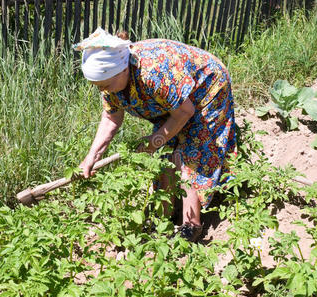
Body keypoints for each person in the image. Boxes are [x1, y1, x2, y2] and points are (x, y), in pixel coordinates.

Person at [75, 28, 236, 242]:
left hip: (207, 89)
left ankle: (191, 226)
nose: (102, 91)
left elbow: (186, 111)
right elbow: (111, 117)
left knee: (189, 154)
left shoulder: (153, 72)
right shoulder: (111, 83)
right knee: (165, 158)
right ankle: (162, 220)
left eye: (105, 85)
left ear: (123, 70)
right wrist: (92, 156)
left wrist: (155, 141)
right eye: (98, 86)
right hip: (172, 102)